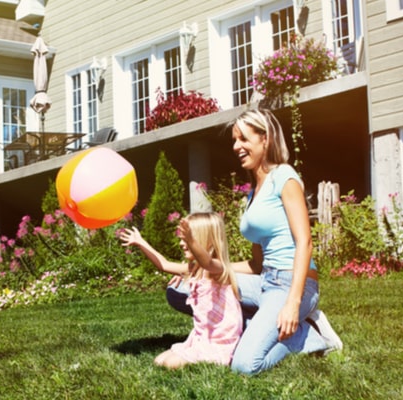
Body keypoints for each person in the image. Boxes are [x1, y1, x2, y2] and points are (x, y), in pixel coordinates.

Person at [226, 109, 343, 375]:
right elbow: (257, 263)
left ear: (264, 139)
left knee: (245, 366)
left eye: (243, 139)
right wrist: (212, 268)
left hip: (294, 284)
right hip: (265, 281)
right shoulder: (253, 192)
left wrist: (292, 302)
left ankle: (310, 334)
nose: (236, 146)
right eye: (234, 140)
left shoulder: (284, 177)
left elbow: (305, 242)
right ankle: (258, 324)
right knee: (191, 288)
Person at [120, 212, 243, 369]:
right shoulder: (194, 269)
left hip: (218, 342)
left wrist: (191, 241)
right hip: (201, 338)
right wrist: (140, 242)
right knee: (159, 361)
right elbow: (163, 265)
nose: (181, 243)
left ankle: (213, 359)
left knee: (171, 364)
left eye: (186, 239)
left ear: (206, 240)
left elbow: (207, 262)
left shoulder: (217, 269)